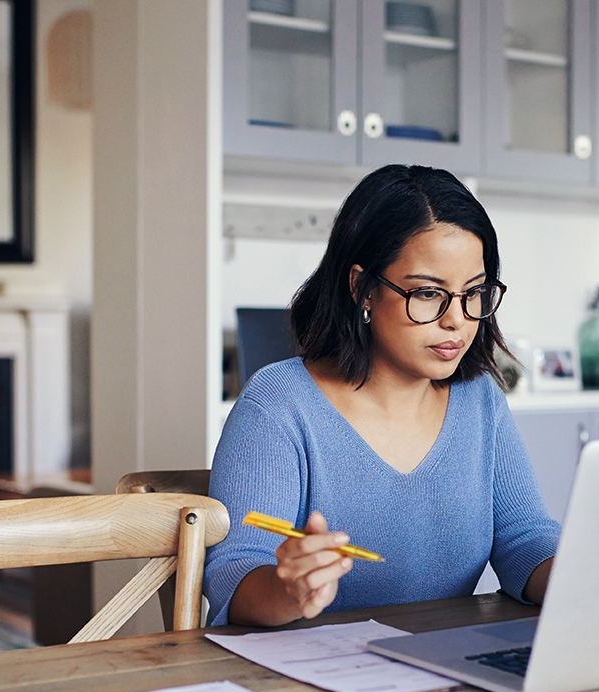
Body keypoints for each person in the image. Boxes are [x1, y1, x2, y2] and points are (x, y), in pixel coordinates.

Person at [204, 165, 560, 627]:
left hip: (439, 669)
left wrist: (584, 579)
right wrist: (288, 589)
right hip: (306, 682)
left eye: (474, 293)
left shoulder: (479, 400)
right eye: (429, 293)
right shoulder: (279, 404)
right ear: (362, 288)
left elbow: (523, 540)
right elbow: (234, 576)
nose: (457, 320)